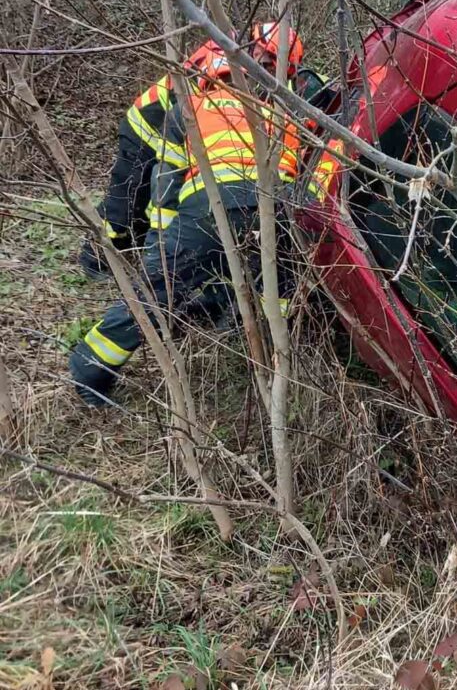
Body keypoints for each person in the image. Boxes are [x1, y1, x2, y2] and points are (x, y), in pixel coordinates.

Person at [69, 24, 325, 406]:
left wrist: (160, 245)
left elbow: (165, 183)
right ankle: (260, 356)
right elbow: (312, 171)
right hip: (271, 212)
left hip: (205, 211)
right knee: (276, 289)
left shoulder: (192, 103)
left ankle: (91, 368)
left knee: (157, 295)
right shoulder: (290, 114)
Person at [79, 42, 334, 278]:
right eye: (267, 61)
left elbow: (312, 94)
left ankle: (142, 251)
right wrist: (162, 242)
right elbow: (194, 116)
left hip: (180, 136)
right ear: (255, 47)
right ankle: (96, 261)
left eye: (280, 66)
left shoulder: (271, 76)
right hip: (147, 129)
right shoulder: (222, 57)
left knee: (153, 204)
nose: (271, 68)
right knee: (124, 206)